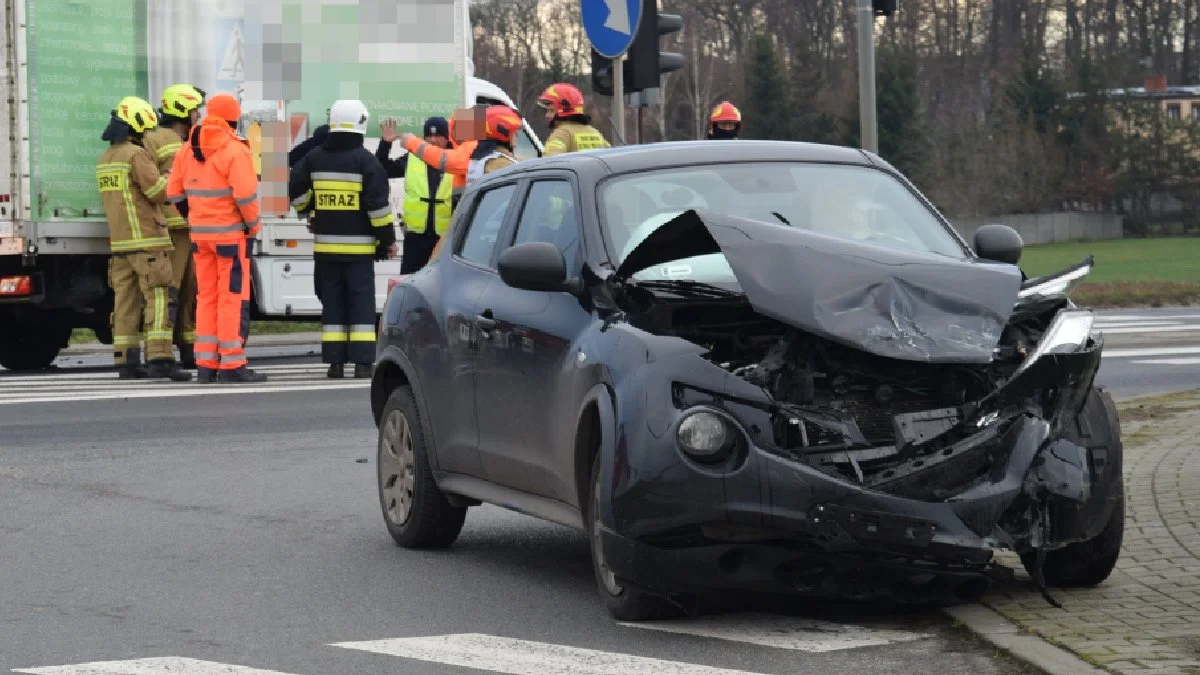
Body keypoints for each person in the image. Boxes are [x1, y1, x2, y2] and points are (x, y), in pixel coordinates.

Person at [288, 99, 396, 379]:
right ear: (360, 123)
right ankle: (362, 363)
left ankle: (335, 364)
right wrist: (387, 241)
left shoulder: (313, 158)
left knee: (332, 304)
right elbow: (378, 209)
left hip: (325, 249)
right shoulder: (367, 161)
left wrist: (308, 210)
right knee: (360, 304)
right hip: (359, 252)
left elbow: (296, 190)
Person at [166, 93, 267, 383]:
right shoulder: (235, 150)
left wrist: (194, 217)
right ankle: (233, 365)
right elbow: (246, 196)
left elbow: (173, 193)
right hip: (231, 236)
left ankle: (206, 364)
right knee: (231, 299)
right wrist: (252, 226)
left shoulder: (188, 148)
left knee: (206, 297)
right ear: (232, 120)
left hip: (201, 237)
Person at [95, 96, 191, 382]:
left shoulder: (105, 159)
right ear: (135, 126)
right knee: (160, 295)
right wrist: (177, 177)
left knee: (125, 302)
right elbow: (159, 192)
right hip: (148, 241)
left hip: (121, 244)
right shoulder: (135, 156)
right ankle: (160, 358)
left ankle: (126, 360)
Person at [142, 83, 206, 368]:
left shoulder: (188, 140)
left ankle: (189, 346)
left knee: (191, 290)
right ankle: (162, 350)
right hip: (171, 229)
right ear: (182, 110)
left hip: (189, 225)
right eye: (195, 110)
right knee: (172, 289)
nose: (198, 115)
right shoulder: (157, 140)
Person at [376, 115, 451, 274]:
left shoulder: (455, 159)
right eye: (429, 136)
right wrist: (386, 143)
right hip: (416, 237)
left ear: (447, 138)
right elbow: (381, 169)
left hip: (445, 238)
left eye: (438, 136)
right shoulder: (413, 157)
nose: (432, 140)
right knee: (409, 282)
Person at [537, 83, 609, 156]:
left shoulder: (562, 134)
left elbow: (550, 163)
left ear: (564, 111)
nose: (547, 115)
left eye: (551, 111)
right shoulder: (596, 133)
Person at [465, 105, 522, 186]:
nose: (517, 135)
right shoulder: (501, 163)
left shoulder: (479, 157)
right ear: (503, 131)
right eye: (514, 131)